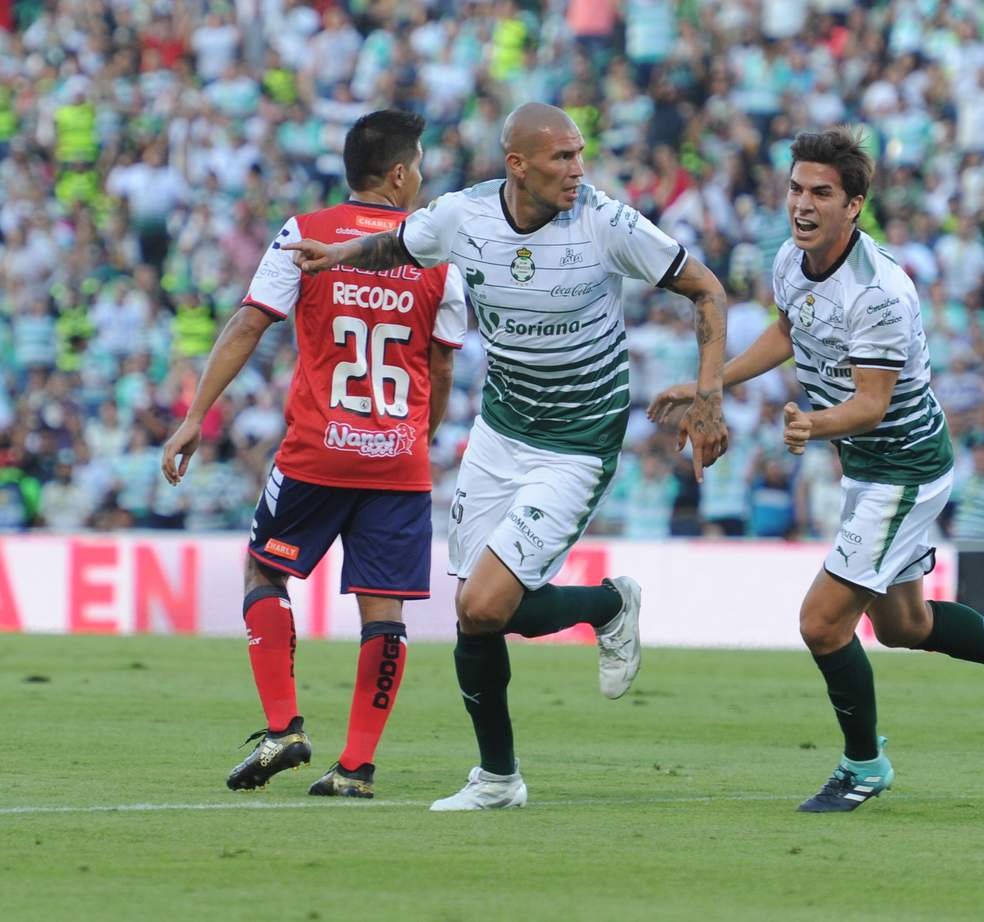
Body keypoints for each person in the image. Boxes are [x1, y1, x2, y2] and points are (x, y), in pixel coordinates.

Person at [284, 103, 729, 810]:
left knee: (487, 603)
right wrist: (337, 257)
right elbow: (400, 245)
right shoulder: (464, 216)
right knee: (476, 613)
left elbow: (706, 288)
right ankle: (498, 779)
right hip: (499, 433)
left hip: (576, 443)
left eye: (579, 154)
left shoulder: (605, 223)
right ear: (517, 165)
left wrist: (709, 398)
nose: (577, 169)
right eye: (561, 157)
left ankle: (610, 604)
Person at [649, 127, 984, 814]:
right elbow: (788, 330)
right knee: (903, 625)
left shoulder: (878, 292)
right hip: (868, 464)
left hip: (903, 466)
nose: (803, 204)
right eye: (796, 188)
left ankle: (863, 765)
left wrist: (811, 424)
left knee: (822, 624)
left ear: (854, 205)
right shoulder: (791, 260)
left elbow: (872, 405)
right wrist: (711, 384)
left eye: (821, 193)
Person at [161, 110, 467, 798]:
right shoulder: (438, 258)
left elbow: (250, 323)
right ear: (398, 174)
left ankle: (283, 728)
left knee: (264, 569)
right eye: (419, 165)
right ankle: (356, 768)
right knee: (384, 611)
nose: (421, 177)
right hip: (399, 461)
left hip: (318, 452)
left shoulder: (305, 234)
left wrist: (196, 417)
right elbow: (442, 367)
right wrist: (418, 438)